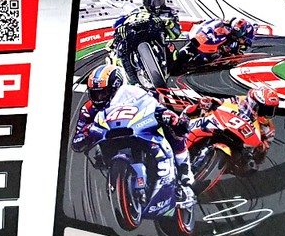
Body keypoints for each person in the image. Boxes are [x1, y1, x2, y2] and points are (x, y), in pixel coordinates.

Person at [72, 63, 195, 201]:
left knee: (173, 128)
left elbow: (155, 103)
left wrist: (169, 117)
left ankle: (184, 171)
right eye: (95, 93)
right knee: (98, 154)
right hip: (110, 142)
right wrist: (87, 133)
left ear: (115, 89)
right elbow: (76, 142)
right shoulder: (88, 109)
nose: (99, 97)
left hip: (137, 130)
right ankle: (120, 180)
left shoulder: (133, 93)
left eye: (103, 93)